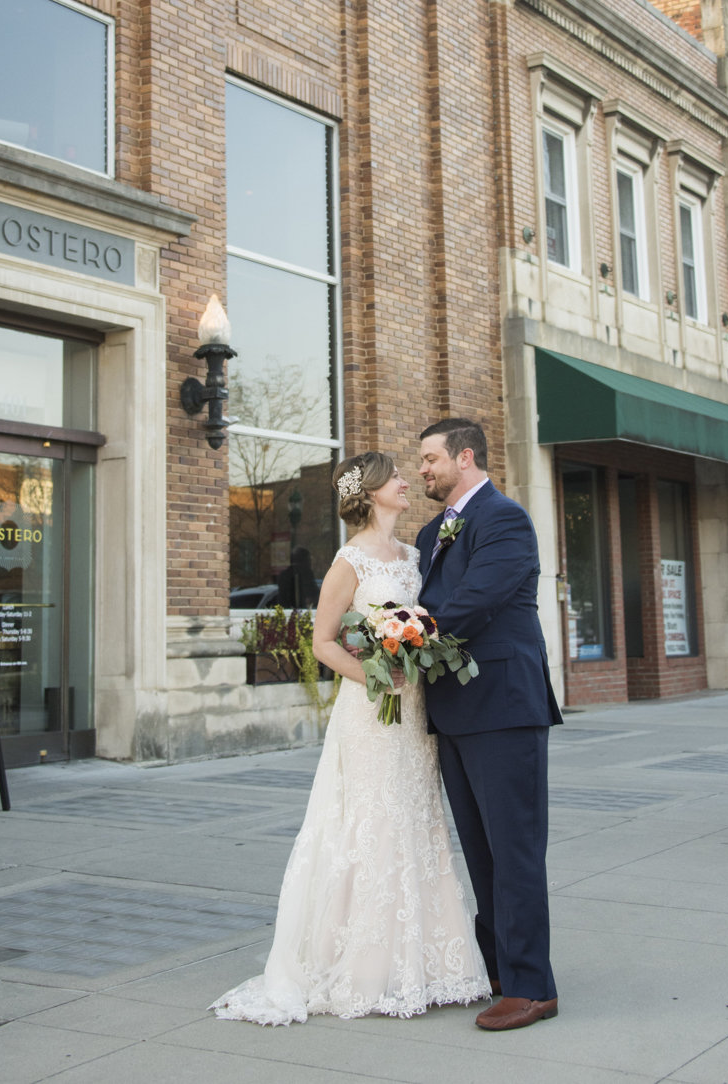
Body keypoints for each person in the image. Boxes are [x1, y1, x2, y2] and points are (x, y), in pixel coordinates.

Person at [210, 450, 490, 1026]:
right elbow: (323, 642)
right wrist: (378, 676)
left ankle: (427, 965)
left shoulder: (416, 556)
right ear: (373, 492)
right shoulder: (349, 561)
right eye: (398, 478)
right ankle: (365, 969)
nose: (409, 482)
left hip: (416, 715)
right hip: (371, 712)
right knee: (372, 822)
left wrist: (414, 660)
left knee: (418, 820)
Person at [416, 418, 562, 1033]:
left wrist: (407, 637)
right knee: (480, 851)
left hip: (503, 704)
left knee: (516, 849)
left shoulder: (504, 519)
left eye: (430, 459)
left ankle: (533, 986)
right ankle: (497, 967)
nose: (422, 468)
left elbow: (476, 600)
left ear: (465, 456)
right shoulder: (430, 531)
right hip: (451, 710)